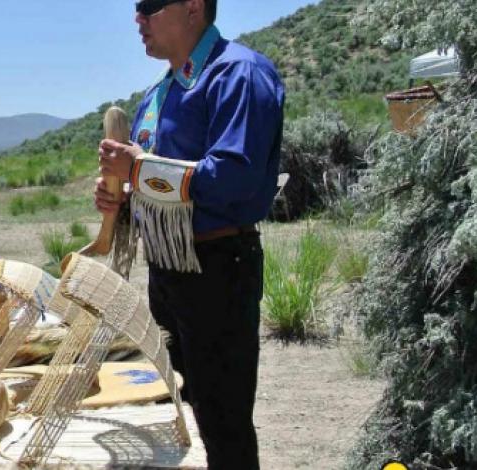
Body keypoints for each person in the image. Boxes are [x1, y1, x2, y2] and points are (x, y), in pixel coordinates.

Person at [94, 1, 283, 468]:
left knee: (222, 422)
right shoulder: (159, 95)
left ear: (194, 7)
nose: (138, 19)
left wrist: (137, 168)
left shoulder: (238, 74)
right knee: (174, 408)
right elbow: (154, 187)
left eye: (149, 7)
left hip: (218, 269)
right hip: (167, 273)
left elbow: (233, 177)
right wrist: (119, 200)